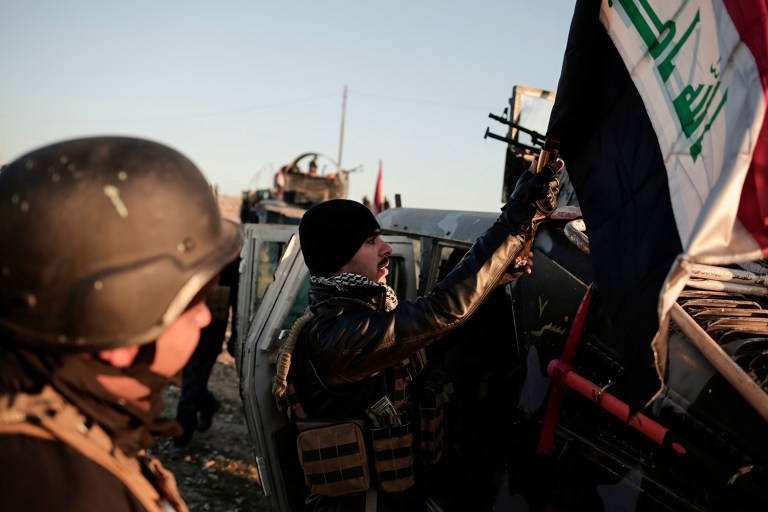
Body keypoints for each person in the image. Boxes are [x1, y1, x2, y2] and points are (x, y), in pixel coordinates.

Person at [279, 159, 562, 511]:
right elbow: (438, 312)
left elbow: (435, 335)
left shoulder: (363, 316)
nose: (386, 249)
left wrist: (494, 281)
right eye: (371, 241)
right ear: (339, 257)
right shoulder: (338, 336)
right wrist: (515, 218)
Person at [0, 136, 243, 512]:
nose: (205, 316)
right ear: (115, 319)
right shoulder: (71, 492)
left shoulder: (50, 433)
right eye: (192, 301)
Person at [172, 257, 240, 456]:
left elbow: (237, 300)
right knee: (188, 381)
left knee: (191, 385)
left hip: (209, 336)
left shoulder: (231, 262)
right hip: (183, 331)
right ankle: (209, 403)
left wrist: (235, 335)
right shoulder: (192, 254)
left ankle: (181, 438)